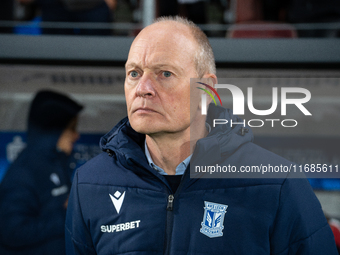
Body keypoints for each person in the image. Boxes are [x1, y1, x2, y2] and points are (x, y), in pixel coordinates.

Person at [65, 16, 338, 254]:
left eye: (165, 73)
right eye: (134, 73)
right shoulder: (89, 184)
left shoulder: (278, 184)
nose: (143, 88)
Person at [0, 90, 83, 255]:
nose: (76, 135)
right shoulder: (23, 173)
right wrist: (67, 213)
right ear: (52, 131)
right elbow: (12, 232)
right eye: (71, 128)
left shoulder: (57, 163)